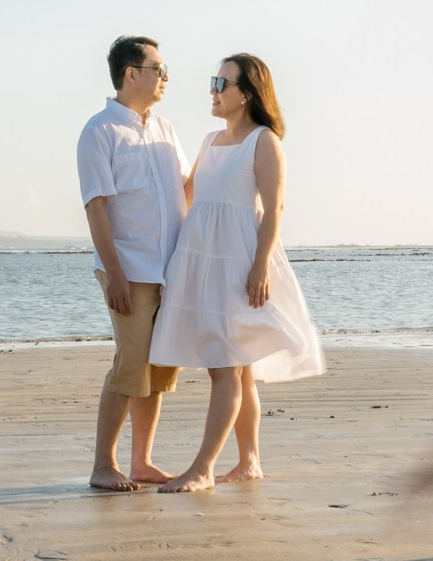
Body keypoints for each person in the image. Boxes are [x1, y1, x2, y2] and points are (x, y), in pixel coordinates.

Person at [150, 54, 324, 493]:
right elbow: (186, 197)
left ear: (246, 93)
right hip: (201, 260)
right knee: (238, 366)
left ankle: (203, 468)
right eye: (214, 80)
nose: (213, 89)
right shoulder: (210, 140)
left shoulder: (264, 141)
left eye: (221, 82)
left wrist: (261, 264)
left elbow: (274, 208)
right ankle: (249, 462)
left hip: (239, 260)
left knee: (225, 364)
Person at [76, 36, 190, 491]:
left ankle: (141, 461)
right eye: (158, 68)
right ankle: (104, 464)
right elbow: (96, 206)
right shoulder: (100, 131)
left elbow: (188, 188)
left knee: (158, 369)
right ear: (131, 74)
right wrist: (115, 274)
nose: (165, 77)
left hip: (172, 268)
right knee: (131, 364)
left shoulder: (165, 129)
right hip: (129, 268)